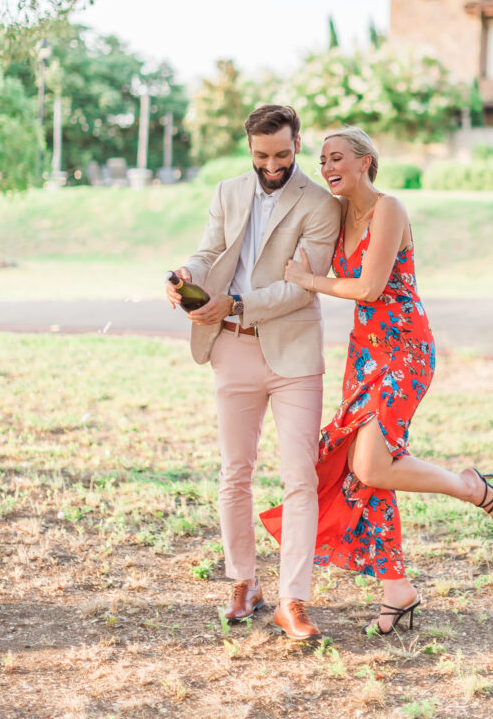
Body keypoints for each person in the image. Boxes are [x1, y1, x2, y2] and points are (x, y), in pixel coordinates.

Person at [261, 127, 493, 635]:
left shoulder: (388, 209)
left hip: (404, 348)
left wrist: (308, 279)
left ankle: (469, 487)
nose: (328, 167)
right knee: (365, 470)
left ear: (365, 161)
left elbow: (370, 287)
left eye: (338, 158)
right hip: (363, 354)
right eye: (323, 159)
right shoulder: (335, 215)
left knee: (373, 463)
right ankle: (397, 588)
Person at [166, 105, 341, 640]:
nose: (272, 165)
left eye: (282, 154)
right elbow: (209, 250)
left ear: (296, 144)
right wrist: (185, 275)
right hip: (232, 352)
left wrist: (235, 303)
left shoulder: (319, 204)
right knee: (234, 472)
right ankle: (244, 582)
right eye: (262, 155)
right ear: (249, 148)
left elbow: (301, 286)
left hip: (293, 354)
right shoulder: (227, 191)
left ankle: (294, 599)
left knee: (299, 478)